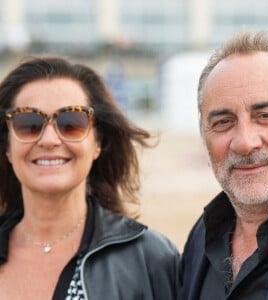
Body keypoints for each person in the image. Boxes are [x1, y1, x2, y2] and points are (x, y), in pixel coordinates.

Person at [0, 56, 179, 299]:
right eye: (29, 123)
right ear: (8, 146)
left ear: (98, 142)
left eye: (71, 122)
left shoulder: (150, 259)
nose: (49, 140)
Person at [179, 30, 268, 300]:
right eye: (223, 121)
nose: (245, 142)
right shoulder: (201, 238)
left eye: (266, 116)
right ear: (203, 134)